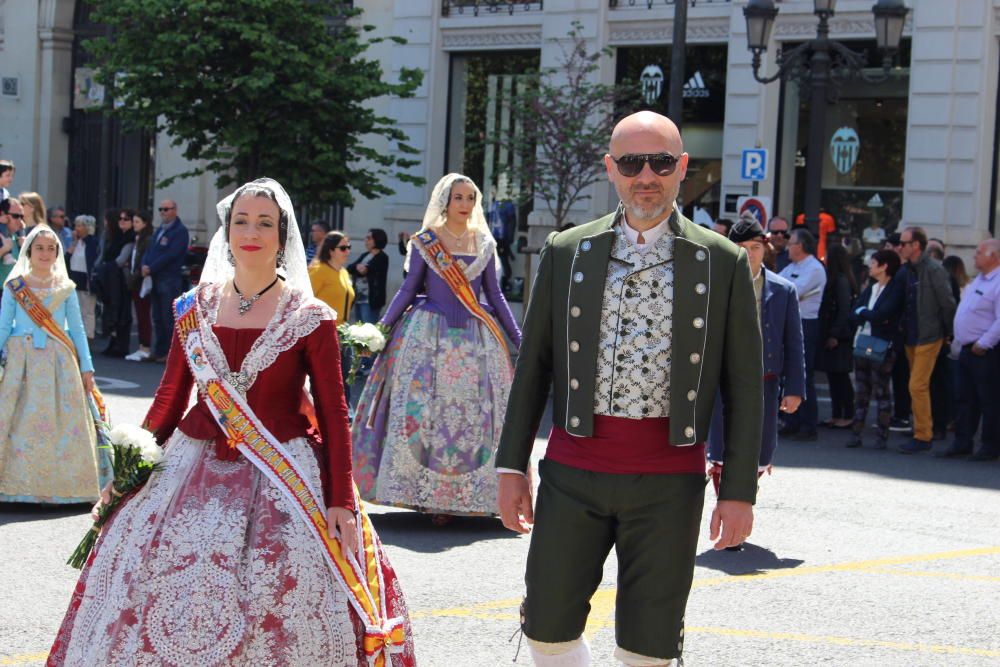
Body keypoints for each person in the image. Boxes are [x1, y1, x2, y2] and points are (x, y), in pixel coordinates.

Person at [48, 178, 415, 666]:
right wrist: (130, 471)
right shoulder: (192, 308)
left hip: (283, 471)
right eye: (241, 221)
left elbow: (333, 413)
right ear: (227, 230)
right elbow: (169, 400)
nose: (252, 232)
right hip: (190, 467)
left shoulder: (312, 317)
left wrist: (342, 501)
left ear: (283, 235)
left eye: (265, 223)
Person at [495, 111, 762, 666]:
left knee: (649, 642)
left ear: (682, 168)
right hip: (573, 471)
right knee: (546, 625)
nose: (647, 175)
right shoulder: (568, 251)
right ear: (611, 169)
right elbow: (534, 367)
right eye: (632, 163)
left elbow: (744, 389)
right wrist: (510, 468)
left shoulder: (722, 261)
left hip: (669, 481)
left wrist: (738, 491)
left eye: (661, 162)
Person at [351, 174, 521, 522]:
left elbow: (495, 294)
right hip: (427, 336)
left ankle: (471, 493)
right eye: (458, 197)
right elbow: (408, 289)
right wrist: (380, 330)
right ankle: (423, 492)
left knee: (478, 413)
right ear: (444, 201)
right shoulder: (425, 242)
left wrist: (520, 339)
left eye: (470, 198)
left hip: (476, 337)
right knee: (421, 410)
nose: (465, 204)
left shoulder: (484, 242)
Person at [708, 214, 804, 547]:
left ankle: (745, 495)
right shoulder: (715, 285)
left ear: (765, 249)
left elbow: (794, 342)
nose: (749, 254)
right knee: (720, 447)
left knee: (761, 450)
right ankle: (728, 511)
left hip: (764, 379)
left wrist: (794, 389)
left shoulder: (783, 289)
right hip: (721, 380)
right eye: (741, 247)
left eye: (755, 247)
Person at [0, 225, 106, 503]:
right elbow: (2, 327)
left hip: (59, 361)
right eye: (40, 248)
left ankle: (66, 488)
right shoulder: (15, 287)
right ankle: (14, 486)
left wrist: (87, 366)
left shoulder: (66, 288)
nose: (45, 253)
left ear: (57, 253)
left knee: (62, 421)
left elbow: (78, 328)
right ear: (29, 251)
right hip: (20, 361)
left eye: (51, 248)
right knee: (17, 418)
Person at [937, 239, 1000, 461]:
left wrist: (983, 344)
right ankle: (963, 442)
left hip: (984, 351)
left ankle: (990, 445)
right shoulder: (979, 280)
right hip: (966, 349)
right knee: (964, 398)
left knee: (988, 399)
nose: (974, 256)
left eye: (979, 252)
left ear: (994, 256)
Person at [897, 226, 956, 454]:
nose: (900, 247)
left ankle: (923, 435)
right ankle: (920, 430)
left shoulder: (933, 269)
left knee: (917, 386)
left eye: (904, 243)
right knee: (918, 386)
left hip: (928, 335)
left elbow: (947, 302)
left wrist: (948, 332)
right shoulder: (909, 269)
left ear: (916, 246)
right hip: (912, 335)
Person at [848, 249, 905, 449]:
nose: (869, 267)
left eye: (873, 263)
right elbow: (854, 312)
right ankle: (856, 432)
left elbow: (883, 315)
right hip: (862, 341)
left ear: (884, 266)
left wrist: (865, 313)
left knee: (882, 391)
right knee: (861, 390)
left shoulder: (895, 289)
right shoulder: (870, 288)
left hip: (882, 345)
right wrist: (866, 313)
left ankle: (882, 435)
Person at [778, 228, 827, 440]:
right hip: (789, 322)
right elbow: (776, 286)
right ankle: (792, 420)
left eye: (791, 243)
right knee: (788, 373)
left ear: (801, 246)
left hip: (806, 323)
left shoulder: (815, 268)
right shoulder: (793, 266)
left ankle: (808, 424)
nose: (788, 247)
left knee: (803, 374)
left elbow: (791, 291)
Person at [142, 199, 189, 362]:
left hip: (169, 278)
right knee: (157, 317)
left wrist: (151, 267)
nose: (163, 212)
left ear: (175, 210)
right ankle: (159, 350)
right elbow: (150, 250)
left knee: (168, 316)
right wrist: (144, 264)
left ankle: (169, 353)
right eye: (161, 209)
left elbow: (171, 255)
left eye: (166, 209)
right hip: (155, 278)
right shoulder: (160, 230)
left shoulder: (180, 231)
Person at [817, 244, 859, 428]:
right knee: (834, 376)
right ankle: (837, 413)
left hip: (840, 336)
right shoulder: (841, 279)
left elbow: (843, 310)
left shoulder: (840, 281)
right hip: (837, 333)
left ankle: (847, 414)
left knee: (841, 376)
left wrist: (834, 333)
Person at [97, 209, 135, 357]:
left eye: (126, 219)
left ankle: (121, 344)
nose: (122, 222)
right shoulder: (117, 236)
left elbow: (121, 260)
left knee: (122, 313)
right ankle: (113, 342)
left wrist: (108, 266)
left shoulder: (130, 238)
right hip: (112, 279)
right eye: (120, 219)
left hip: (122, 280)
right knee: (113, 311)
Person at [125, 210, 154, 361]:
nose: (134, 225)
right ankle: (142, 346)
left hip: (142, 282)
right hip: (135, 280)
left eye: (137, 222)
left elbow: (143, 260)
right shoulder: (137, 238)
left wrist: (135, 275)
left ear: (145, 223)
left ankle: (145, 347)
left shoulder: (147, 239)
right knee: (140, 313)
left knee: (144, 314)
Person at [66, 215, 100, 340]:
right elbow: (68, 258)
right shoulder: (76, 242)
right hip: (74, 278)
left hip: (86, 279)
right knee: (75, 310)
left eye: (80, 225)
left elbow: (92, 261)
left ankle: (88, 335)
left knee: (88, 310)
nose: (77, 228)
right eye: (76, 225)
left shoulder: (92, 242)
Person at [309, 231, 355, 320]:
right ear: (331, 251)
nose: (347, 251)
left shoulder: (344, 272)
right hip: (321, 328)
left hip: (341, 329)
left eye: (349, 247)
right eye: (343, 248)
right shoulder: (318, 270)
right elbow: (304, 301)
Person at [348, 228, 389, 323]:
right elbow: (350, 268)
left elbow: (369, 270)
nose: (366, 240)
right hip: (358, 298)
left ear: (377, 240)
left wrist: (362, 269)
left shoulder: (382, 257)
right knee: (358, 328)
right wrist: (358, 267)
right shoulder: (365, 255)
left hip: (370, 300)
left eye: (369, 238)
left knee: (368, 329)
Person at [0, 198, 25, 285]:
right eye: (15, 216)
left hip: (15, 292)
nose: (19, 220)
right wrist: (3, 250)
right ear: (3, 214)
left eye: (22, 217)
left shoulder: (18, 238)